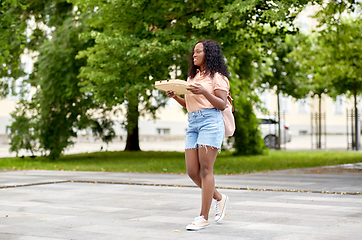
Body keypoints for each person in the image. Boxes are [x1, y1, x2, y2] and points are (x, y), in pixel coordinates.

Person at [166, 39, 230, 231]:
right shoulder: (193, 78)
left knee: (205, 170)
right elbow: (191, 105)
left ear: (208, 54)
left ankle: (203, 217)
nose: (194, 55)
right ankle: (219, 197)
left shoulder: (217, 77)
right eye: (193, 52)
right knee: (192, 171)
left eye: (198, 52)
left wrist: (204, 92)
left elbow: (221, 104)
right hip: (193, 123)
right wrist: (176, 97)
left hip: (211, 122)